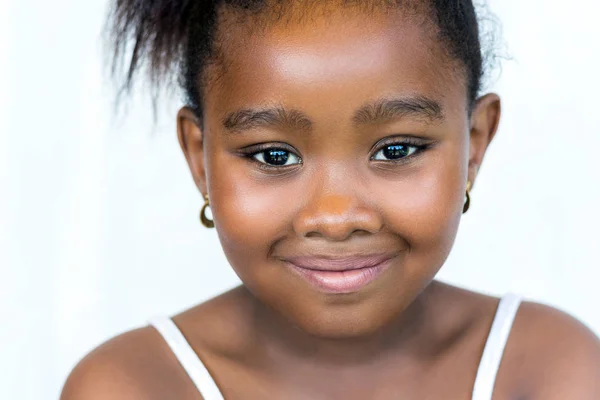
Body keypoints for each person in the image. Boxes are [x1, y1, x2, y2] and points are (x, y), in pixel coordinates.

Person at [61, 0, 600, 398]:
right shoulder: (132, 385)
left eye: (396, 149)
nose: (337, 218)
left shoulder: (549, 370)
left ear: (475, 143)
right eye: (274, 157)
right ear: (200, 157)